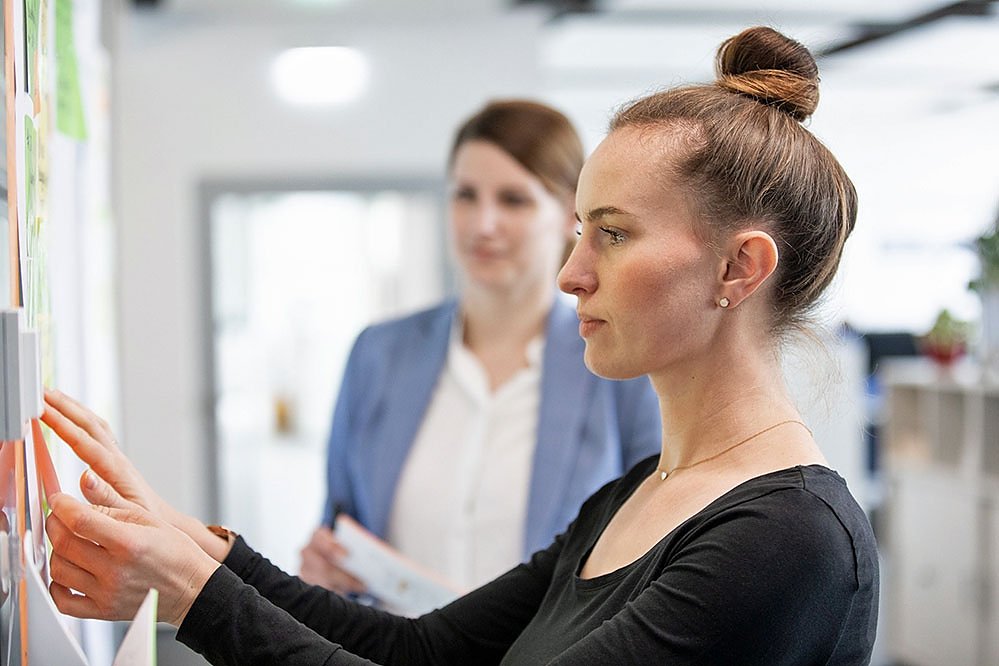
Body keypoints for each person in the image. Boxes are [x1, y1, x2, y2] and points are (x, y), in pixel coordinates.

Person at [42, 26, 879, 665]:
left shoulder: (786, 539)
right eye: (580, 231)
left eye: (614, 234)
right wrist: (199, 548)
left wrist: (194, 598)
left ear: (739, 267)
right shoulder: (634, 496)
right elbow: (422, 651)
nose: (571, 273)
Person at [298, 100, 662, 597]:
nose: (482, 224)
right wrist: (325, 574)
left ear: (569, 214)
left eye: (513, 200)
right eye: (465, 195)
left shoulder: (619, 366)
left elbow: (650, 552)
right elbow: (339, 527)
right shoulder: (378, 355)